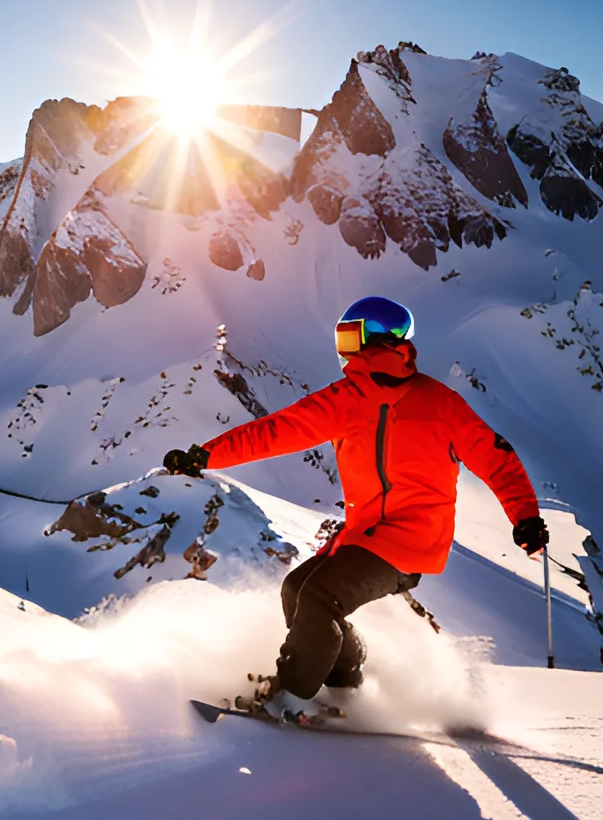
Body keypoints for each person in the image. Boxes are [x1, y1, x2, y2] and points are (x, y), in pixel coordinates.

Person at [163, 296, 547, 720]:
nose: (343, 349)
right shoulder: (347, 398)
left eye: (349, 336)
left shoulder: (439, 404)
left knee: (320, 597)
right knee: (296, 589)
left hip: (412, 541)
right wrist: (207, 455)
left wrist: (525, 516)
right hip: (363, 534)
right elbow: (276, 431)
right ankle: (345, 682)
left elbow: (496, 457)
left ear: (376, 339)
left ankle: (290, 693)